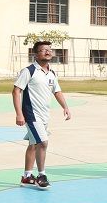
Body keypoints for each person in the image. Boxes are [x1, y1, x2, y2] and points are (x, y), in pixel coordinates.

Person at [12, 40, 71, 189]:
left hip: (45, 116)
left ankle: (26, 177)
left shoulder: (51, 73)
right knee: (43, 143)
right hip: (32, 115)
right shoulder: (29, 71)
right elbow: (16, 91)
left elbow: (57, 91)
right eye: (43, 50)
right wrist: (19, 114)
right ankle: (41, 175)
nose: (48, 52)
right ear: (36, 54)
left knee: (33, 145)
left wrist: (65, 106)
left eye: (49, 50)